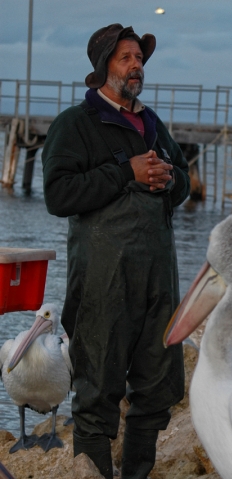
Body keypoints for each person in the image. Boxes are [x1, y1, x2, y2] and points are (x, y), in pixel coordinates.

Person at [41, 24, 189, 479]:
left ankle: (137, 474)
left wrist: (167, 179)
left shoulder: (152, 123)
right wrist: (125, 171)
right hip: (103, 284)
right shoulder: (76, 123)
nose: (136, 65)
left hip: (157, 282)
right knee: (96, 392)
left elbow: (183, 180)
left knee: (156, 389)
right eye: (126, 57)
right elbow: (58, 195)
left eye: (139, 58)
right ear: (104, 67)